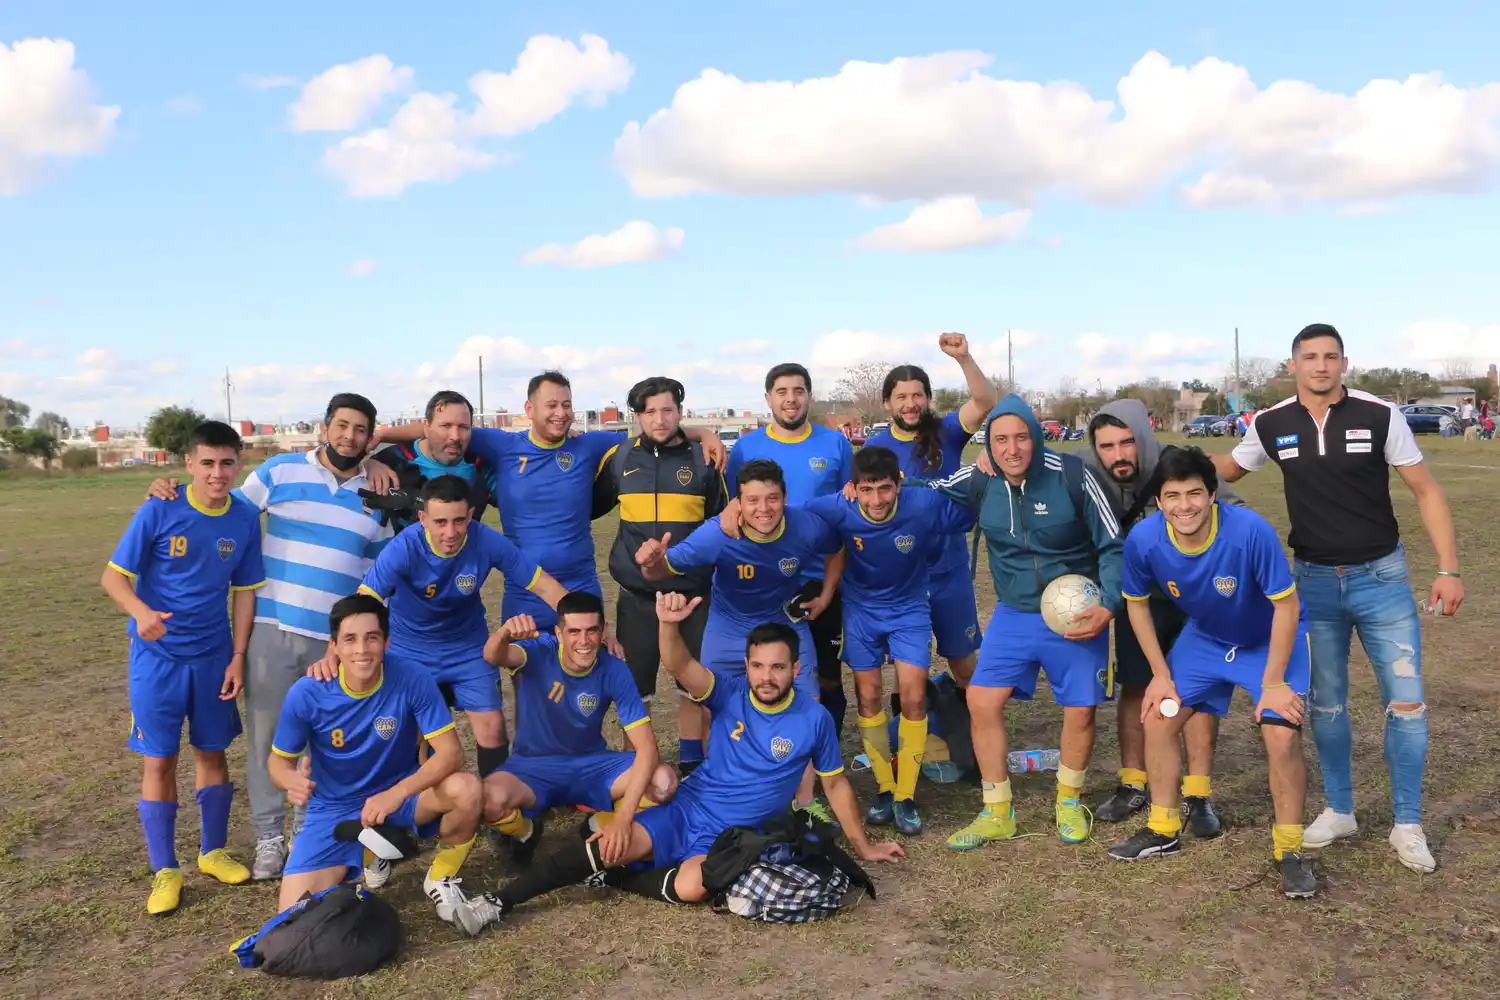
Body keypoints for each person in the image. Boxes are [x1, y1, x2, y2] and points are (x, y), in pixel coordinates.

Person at [457, 591, 903, 927]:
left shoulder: (815, 719)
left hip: (733, 836)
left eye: (778, 668)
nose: (767, 677)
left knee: (694, 887)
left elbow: (837, 784)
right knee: (611, 844)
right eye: (759, 667)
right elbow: (680, 665)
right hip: (688, 810)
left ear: (796, 669)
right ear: (746, 667)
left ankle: (614, 878)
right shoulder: (729, 693)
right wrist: (667, 626)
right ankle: (500, 902)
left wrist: (863, 846)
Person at [1213, 323, 1462, 873]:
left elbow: (1425, 490)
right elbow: (1223, 470)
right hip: (1314, 586)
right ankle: (1341, 809)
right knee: (1326, 703)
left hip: (1383, 581)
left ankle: (1407, 823)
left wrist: (1448, 568)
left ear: (1344, 363)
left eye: (1330, 357)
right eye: (1310, 357)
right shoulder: (1272, 422)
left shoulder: (1380, 415)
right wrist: (1153, 471)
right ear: (1293, 365)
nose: (1320, 366)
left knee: (1407, 703)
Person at [144, 393, 399, 881]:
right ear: (326, 427)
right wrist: (168, 493)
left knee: (327, 740)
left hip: (336, 644)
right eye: (341, 425)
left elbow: (377, 575)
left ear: (371, 437)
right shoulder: (280, 472)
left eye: (360, 429)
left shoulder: (377, 493)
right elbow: (219, 509)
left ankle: (309, 832)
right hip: (271, 629)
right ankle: (268, 837)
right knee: (269, 738)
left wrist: (355, 639)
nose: (349, 436)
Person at [1107, 447, 1316, 897]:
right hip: (1206, 639)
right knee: (1158, 716)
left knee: (1280, 733)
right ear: (1159, 502)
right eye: (1173, 495)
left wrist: (1275, 683)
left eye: (1195, 493)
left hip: (1269, 640)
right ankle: (1163, 829)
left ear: (1213, 494)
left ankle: (1290, 850)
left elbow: (1286, 606)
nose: (1185, 505)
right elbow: (1137, 607)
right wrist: (1160, 674)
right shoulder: (1144, 539)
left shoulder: (1249, 532)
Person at [919, 395, 1123, 850]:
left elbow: (1113, 545)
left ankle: (1069, 802)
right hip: (1014, 612)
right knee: (982, 702)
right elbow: (924, 489)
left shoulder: (1073, 475)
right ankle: (997, 811)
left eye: (1021, 437)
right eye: (1000, 440)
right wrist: (873, 485)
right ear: (988, 444)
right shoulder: (980, 475)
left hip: (1076, 609)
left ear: (1035, 435)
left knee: (1080, 708)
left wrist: (1108, 604)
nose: (1012, 449)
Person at [374, 372, 724, 633]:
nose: (561, 413)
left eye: (567, 405)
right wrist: (378, 441)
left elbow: (652, 430)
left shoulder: (588, 446)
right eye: (551, 405)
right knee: (528, 689)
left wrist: (705, 433)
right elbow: (437, 430)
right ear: (529, 409)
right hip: (524, 589)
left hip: (582, 583)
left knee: (587, 690)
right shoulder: (502, 445)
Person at [101, 420, 265, 914]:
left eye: (227, 463)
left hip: (214, 657)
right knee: (160, 759)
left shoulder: (243, 518)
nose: (218, 473)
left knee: (212, 753)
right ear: (189, 464)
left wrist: (238, 656)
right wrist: (141, 612)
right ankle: (166, 871)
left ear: (240, 464)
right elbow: (113, 579)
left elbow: (244, 594)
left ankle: (212, 852)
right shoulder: (160, 508)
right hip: (158, 662)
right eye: (208, 463)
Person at [636, 457, 845, 820]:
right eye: (752, 500)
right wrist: (649, 561)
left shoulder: (806, 527)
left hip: (783, 623)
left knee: (808, 702)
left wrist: (826, 596)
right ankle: (722, 784)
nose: (763, 509)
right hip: (729, 626)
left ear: (784, 498)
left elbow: (837, 547)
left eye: (772, 499)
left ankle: (804, 803)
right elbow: (659, 571)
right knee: (711, 703)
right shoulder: (717, 533)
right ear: (738, 502)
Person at [268, 594, 487, 933]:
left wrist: (396, 794)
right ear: (334, 647)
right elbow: (277, 763)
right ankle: (370, 849)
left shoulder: (412, 676)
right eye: (350, 640)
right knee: (292, 924)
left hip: (400, 794)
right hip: (333, 809)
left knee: (467, 788)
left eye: (372, 638)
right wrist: (290, 780)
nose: (362, 650)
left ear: (386, 641)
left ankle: (441, 878)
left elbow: (451, 753)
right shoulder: (308, 693)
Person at [1082, 399, 1244, 835]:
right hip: (1141, 600)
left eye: (1127, 442)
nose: (1118, 455)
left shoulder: (1178, 465)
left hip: (1198, 601)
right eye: (1107, 446)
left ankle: (1197, 793)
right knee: (1136, 687)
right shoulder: (1089, 474)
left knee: (1200, 695)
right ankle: (1134, 784)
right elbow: (1037, 460)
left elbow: (1236, 514)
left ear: (1144, 437)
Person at [350, 474, 568, 790]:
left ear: (470, 515)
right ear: (423, 518)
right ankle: (411, 808)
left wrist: (586, 625)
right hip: (410, 650)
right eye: (440, 522)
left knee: (492, 727)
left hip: (468, 648)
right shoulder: (405, 546)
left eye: (458, 521)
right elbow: (365, 601)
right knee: (406, 734)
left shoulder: (486, 540)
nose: (450, 532)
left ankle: (498, 809)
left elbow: (544, 585)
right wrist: (341, 652)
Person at [803, 446, 976, 836]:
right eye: (866, 490)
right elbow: (793, 517)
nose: (876, 500)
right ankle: (884, 787)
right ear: (853, 488)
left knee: (913, 697)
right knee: (868, 697)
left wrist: (985, 476)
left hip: (909, 610)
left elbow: (971, 509)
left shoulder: (922, 502)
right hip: (861, 612)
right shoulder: (837, 506)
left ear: (899, 484)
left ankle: (906, 795)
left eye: (885, 488)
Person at [479, 591, 679, 861]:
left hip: (592, 766)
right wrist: (503, 634)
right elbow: (493, 656)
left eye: (591, 631)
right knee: (485, 800)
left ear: (603, 630)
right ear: (558, 633)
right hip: (534, 766)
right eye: (573, 631)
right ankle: (526, 832)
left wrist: (623, 819)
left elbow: (647, 749)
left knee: (663, 783)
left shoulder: (615, 670)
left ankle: (599, 823)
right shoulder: (539, 651)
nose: (583, 641)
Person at [593, 376, 728, 775]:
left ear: (680, 413)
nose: (659, 418)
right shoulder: (618, 457)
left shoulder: (705, 458)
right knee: (635, 688)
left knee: (694, 683)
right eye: (650, 411)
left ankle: (692, 763)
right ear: (637, 416)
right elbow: (588, 505)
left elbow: (723, 522)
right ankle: (635, 767)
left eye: (667, 409)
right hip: (637, 596)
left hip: (692, 594)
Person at [723, 362, 855, 732]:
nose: (791, 399)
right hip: (762, 580)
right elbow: (733, 506)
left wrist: (829, 594)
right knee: (769, 673)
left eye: (798, 391)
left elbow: (847, 509)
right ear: (768, 398)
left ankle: (825, 750)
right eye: (781, 392)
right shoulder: (747, 447)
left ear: (809, 395)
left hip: (818, 579)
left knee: (826, 674)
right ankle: (772, 751)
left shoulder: (835, 444)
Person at [863, 333, 998, 688]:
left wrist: (964, 359)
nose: (910, 404)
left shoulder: (948, 432)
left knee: (964, 665)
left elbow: (984, 400)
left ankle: (975, 734)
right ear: (887, 403)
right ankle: (909, 739)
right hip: (902, 575)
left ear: (928, 398)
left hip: (948, 570)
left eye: (917, 395)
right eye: (901, 397)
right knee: (909, 674)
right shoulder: (875, 448)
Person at [369, 390, 497, 531]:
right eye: (445, 426)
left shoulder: (483, 467)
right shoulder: (392, 460)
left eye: (463, 427)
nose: (455, 436)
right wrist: (368, 463)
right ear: (427, 426)